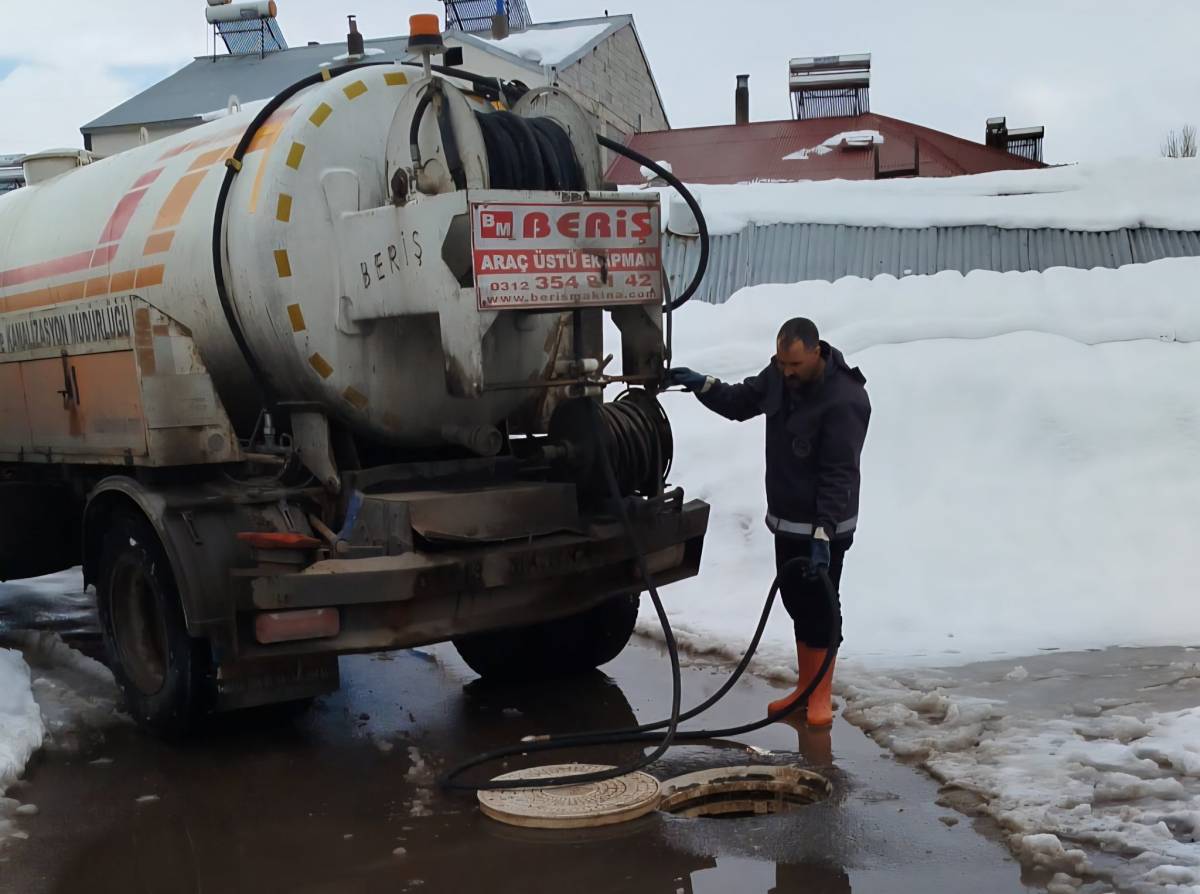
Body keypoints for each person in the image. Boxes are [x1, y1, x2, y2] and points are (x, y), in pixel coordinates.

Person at [668, 317, 870, 726]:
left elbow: (839, 473)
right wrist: (702, 385)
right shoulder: (780, 375)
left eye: (794, 364)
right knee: (796, 602)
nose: (786, 372)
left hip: (823, 529)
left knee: (823, 609)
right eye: (781, 363)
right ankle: (804, 689)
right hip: (787, 520)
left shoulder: (845, 399)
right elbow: (742, 401)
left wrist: (824, 533)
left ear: (816, 352)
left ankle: (820, 697)